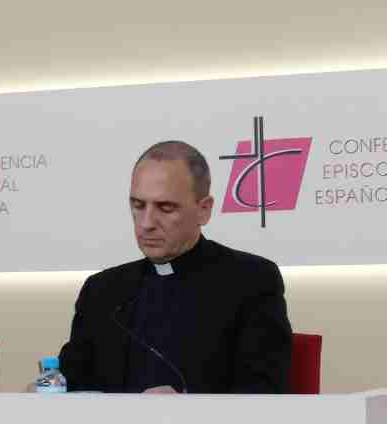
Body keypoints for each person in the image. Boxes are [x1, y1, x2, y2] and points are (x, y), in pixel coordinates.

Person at [56, 141, 291, 393]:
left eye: (165, 208)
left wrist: (187, 408)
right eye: (138, 205)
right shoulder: (103, 289)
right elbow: (71, 381)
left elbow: (264, 391)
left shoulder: (251, 280)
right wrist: (43, 394)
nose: (146, 223)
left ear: (204, 210)